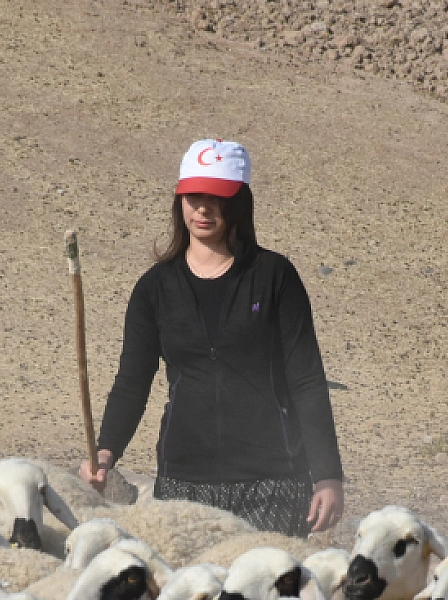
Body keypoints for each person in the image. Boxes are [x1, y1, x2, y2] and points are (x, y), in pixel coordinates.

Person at [79, 139, 345, 536]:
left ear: (240, 201)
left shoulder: (275, 277)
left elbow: (306, 380)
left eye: (216, 197)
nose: (202, 208)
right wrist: (105, 451)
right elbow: (132, 382)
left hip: (272, 484)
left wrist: (327, 475)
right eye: (193, 196)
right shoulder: (155, 288)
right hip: (184, 483)